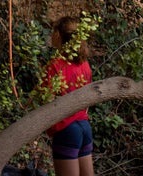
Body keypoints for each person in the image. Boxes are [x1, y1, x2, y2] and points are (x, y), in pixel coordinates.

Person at [42, 17, 94, 176]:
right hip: (85, 127)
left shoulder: (55, 65)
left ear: (58, 35)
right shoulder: (84, 64)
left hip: (66, 129)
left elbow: (46, 100)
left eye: (52, 32)